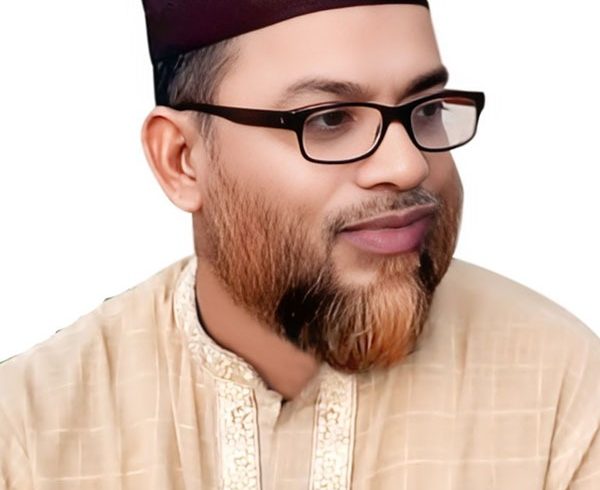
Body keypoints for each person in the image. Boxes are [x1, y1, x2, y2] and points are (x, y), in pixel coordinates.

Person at [1, 1, 598, 488]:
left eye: (426, 108)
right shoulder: (28, 430)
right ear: (181, 160)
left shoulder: (563, 395)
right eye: (329, 118)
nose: (408, 164)